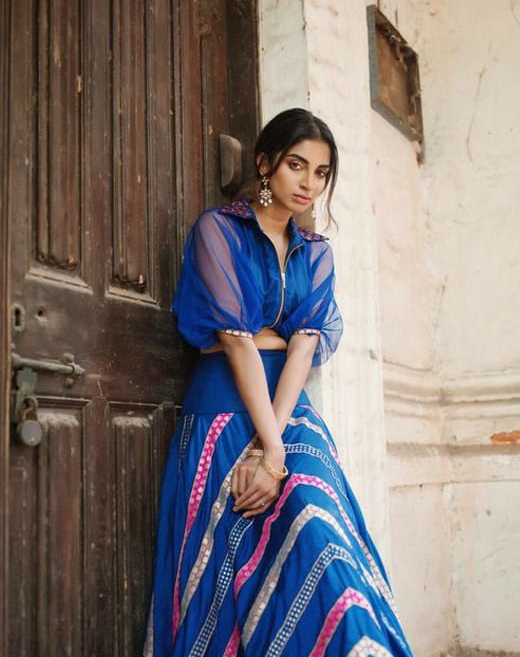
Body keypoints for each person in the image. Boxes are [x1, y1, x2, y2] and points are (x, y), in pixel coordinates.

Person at [143, 108, 414, 656]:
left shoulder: (317, 253)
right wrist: (269, 446)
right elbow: (235, 342)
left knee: (322, 538)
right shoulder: (218, 230)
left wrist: (274, 452)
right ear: (265, 164)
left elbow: (303, 347)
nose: (309, 184)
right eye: (296, 165)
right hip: (222, 410)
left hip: (291, 416)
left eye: (321, 173)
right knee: (227, 576)